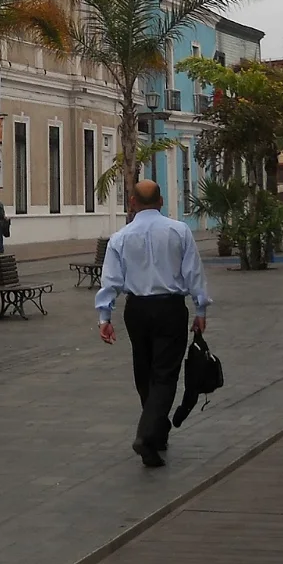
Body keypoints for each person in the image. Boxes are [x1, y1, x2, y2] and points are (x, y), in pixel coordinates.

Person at [96, 179, 210, 468]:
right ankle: (147, 434)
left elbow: (110, 280)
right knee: (165, 374)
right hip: (170, 308)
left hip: (136, 309)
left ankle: (157, 431)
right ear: (161, 202)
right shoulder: (179, 231)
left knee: (144, 370)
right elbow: (194, 273)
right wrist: (200, 309)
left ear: (132, 203)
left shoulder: (120, 238)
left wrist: (104, 317)